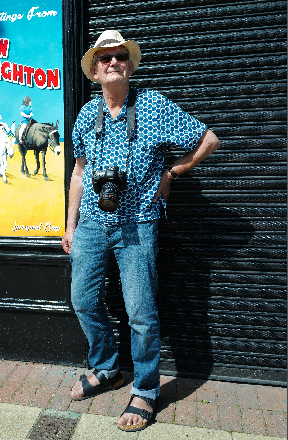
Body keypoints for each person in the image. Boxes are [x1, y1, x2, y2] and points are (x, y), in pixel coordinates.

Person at [61, 30, 219, 432]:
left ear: (129, 66)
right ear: (95, 71)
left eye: (119, 56)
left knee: (141, 315)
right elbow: (79, 173)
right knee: (82, 300)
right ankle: (106, 367)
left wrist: (173, 171)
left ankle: (146, 390)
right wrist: (70, 225)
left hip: (138, 223)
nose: (112, 62)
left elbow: (208, 139)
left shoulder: (152, 106)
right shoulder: (85, 115)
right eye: (104, 58)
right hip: (93, 224)